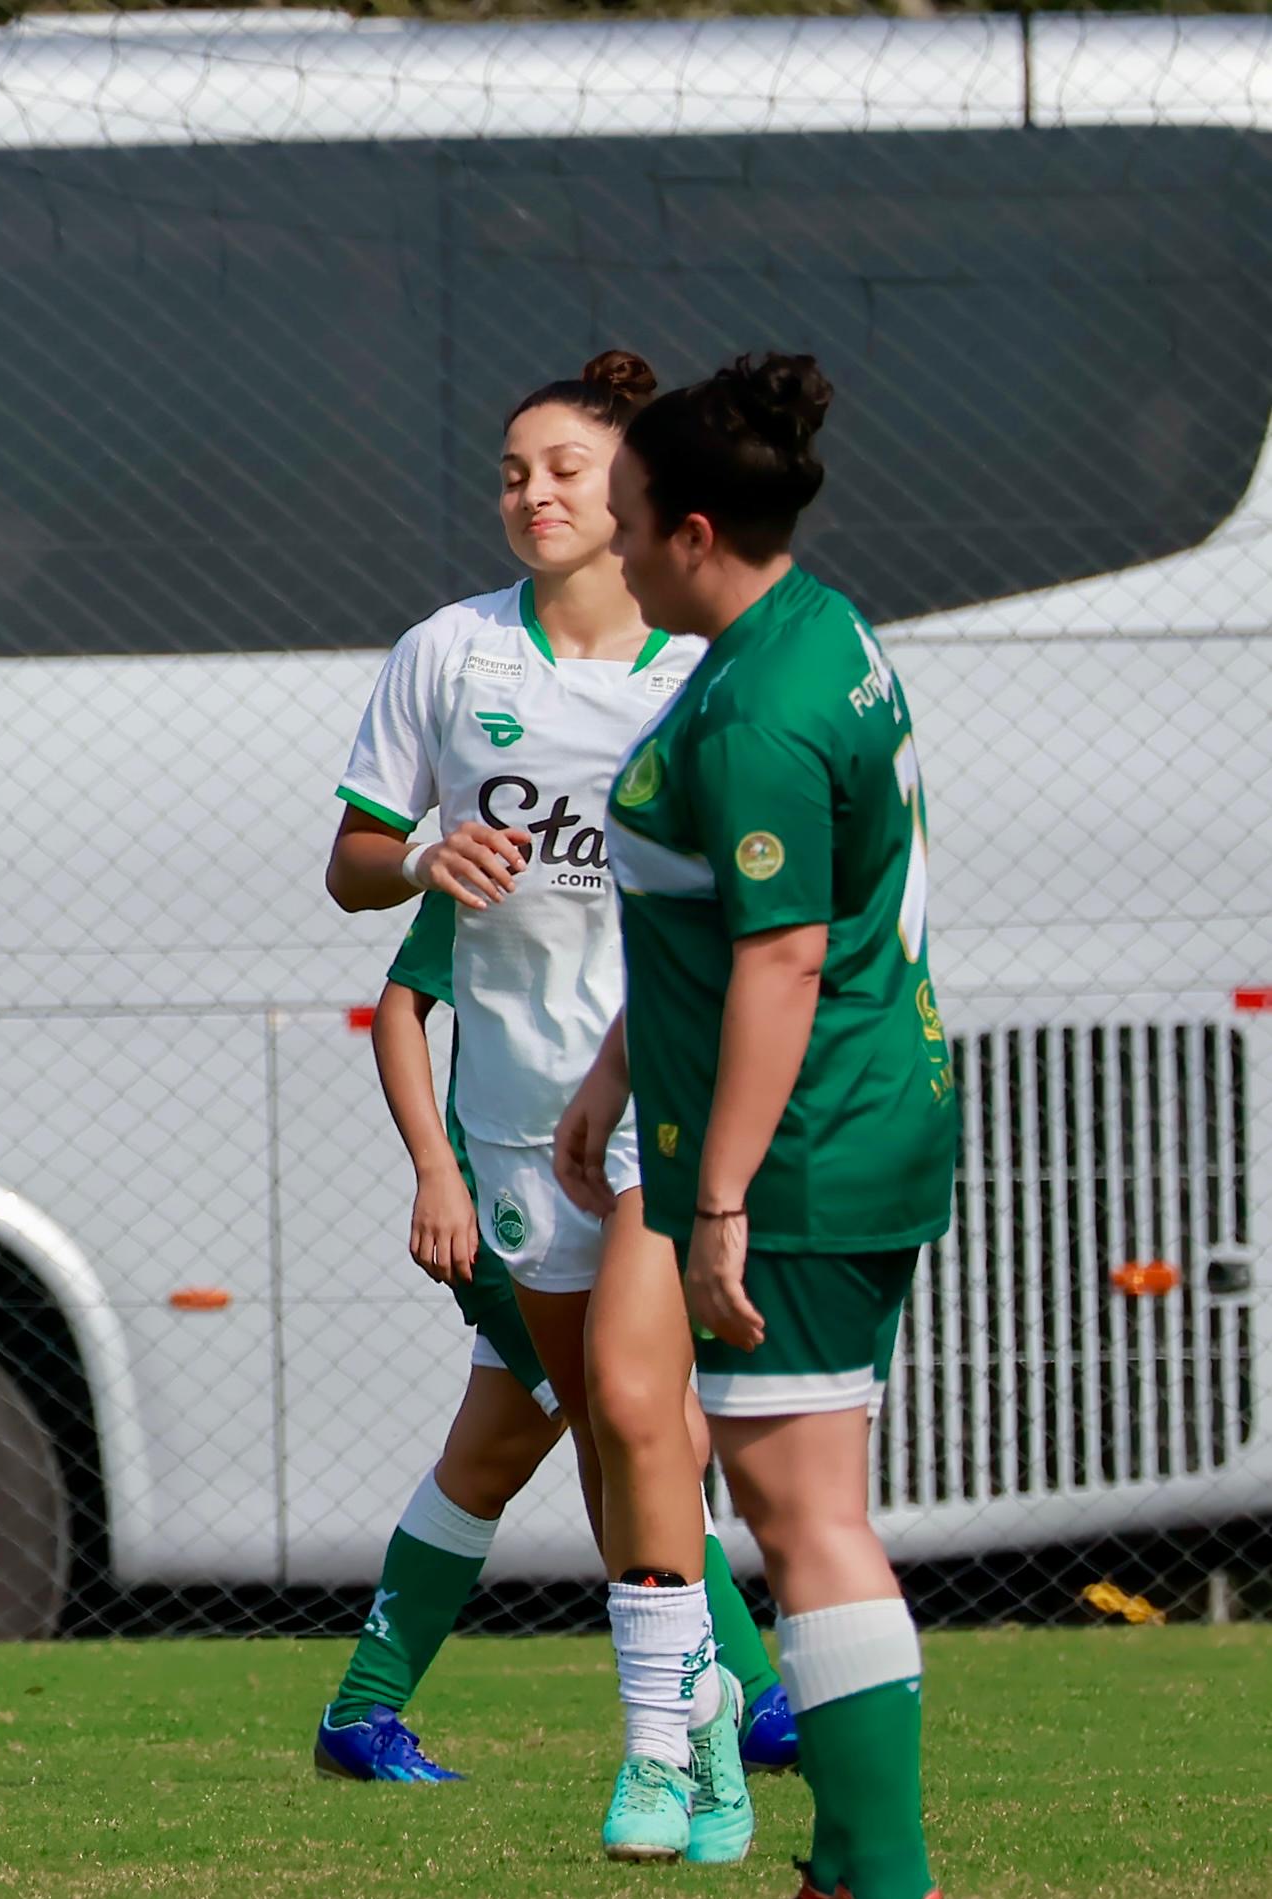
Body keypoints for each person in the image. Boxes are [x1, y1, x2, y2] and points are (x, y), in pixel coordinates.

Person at [315, 353, 786, 1798]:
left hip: (656, 1099)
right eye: (513, 471)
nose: (533, 493)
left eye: (565, 469)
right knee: (614, 1417)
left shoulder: (702, 669)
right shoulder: (448, 656)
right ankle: (744, 1701)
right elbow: (351, 873)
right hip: (522, 1124)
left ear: (633, 487)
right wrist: (418, 855)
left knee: (582, 1419)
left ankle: (372, 1710)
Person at [558, 351, 961, 1899]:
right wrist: (613, 1068)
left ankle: (888, 1891)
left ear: (695, 528)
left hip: (805, 1150)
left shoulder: (762, 708)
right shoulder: (808, 629)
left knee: (805, 1519)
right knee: (802, 1504)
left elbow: (777, 962)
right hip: (837, 1125)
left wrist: (712, 1196)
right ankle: (855, 1873)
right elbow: (703, 924)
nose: (616, 546)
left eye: (633, 519)